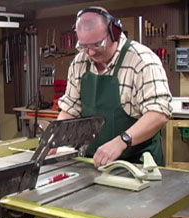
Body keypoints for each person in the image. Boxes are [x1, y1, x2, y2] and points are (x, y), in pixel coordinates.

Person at [55, 6, 172, 168]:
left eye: (96, 45)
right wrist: (55, 141)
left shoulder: (142, 60)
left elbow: (159, 114)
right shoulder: (80, 62)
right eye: (83, 46)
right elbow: (70, 109)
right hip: (94, 163)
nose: (90, 53)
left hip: (138, 165)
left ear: (114, 32)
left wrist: (121, 141)